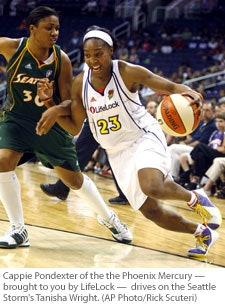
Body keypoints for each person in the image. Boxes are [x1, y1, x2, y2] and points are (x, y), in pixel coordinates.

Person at [36, 25, 222, 258]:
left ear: (110, 50)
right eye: (88, 55)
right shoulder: (80, 83)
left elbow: (170, 87)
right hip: (116, 152)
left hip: (143, 136)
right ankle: (202, 233)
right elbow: (74, 126)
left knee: (152, 185)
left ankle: (196, 198)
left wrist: (191, 93)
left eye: (99, 53)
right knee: (151, 212)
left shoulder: (126, 71)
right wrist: (49, 106)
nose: (93, 59)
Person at [0, 7, 133, 248]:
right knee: (2, 161)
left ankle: (109, 218)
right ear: (32, 29)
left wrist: (53, 104)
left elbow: (70, 101)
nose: (54, 32)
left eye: (57, 28)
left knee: (73, 180)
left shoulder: (60, 59)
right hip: (16, 119)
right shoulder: (11, 47)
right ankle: (18, 229)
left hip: (50, 123)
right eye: (48, 28)